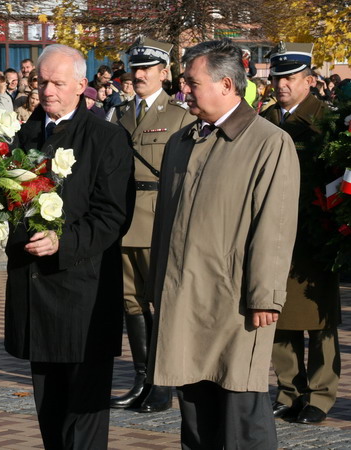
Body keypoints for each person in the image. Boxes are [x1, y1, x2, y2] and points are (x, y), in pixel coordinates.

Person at [147, 39, 299, 448]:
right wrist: (155, 284)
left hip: (235, 304)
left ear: (226, 84)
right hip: (183, 298)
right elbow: (165, 224)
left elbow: (276, 225)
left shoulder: (268, 142)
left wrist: (265, 295)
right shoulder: (181, 142)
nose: (184, 90)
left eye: (192, 82)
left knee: (241, 415)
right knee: (195, 415)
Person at [5, 43, 134, 449]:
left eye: (57, 83)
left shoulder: (107, 137)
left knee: (85, 413)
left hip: (84, 293)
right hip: (35, 291)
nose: (47, 91)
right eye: (41, 82)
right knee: (50, 408)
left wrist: (63, 242)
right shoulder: (24, 135)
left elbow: (113, 215)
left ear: (82, 85)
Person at [109, 38, 194, 413]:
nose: (138, 74)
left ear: (165, 73)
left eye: (147, 69)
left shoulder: (179, 117)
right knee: (130, 303)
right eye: (135, 67)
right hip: (124, 219)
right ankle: (142, 378)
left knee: (161, 304)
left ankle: (164, 383)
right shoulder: (120, 114)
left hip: (159, 218)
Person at [262, 42, 341, 425]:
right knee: (276, 311)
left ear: (309, 80)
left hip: (314, 232)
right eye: (277, 77)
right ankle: (288, 390)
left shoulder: (326, 120)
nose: (281, 84)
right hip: (273, 232)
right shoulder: (264, 119)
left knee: (319, 317)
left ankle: (321, 394)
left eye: (290, 78)